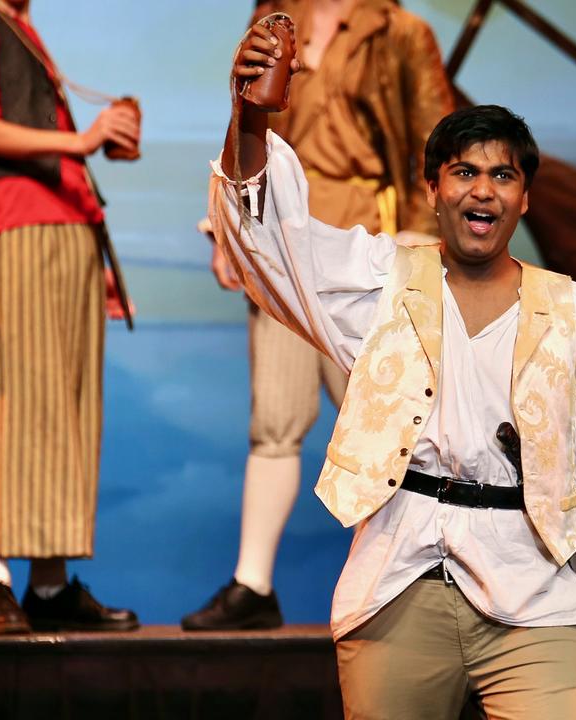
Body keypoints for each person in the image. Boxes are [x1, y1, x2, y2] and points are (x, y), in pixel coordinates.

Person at [208, 24, 576, 718]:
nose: (484, 190)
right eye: (465, 172)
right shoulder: (384, 284)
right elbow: (274, 244)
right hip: (400, 579)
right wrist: (250, 116)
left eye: (503, 175)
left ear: (524, 196)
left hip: (535, 589)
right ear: (434, 188)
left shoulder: (572, 310)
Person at [183, 0, 454, 632]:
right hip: (282, 244)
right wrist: (233, 227)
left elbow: (437, 140)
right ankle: (253, 584)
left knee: (394, 424)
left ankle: (422, 580)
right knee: (275, 418)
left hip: (369, 253)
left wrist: (422, 242)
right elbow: (244, 124)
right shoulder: (276, 17)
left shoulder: (399, 32)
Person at [0, 0, 140, 633]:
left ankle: (48, 590)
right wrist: (83, 137)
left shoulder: (23, 28)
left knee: (69, 410)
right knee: (22, 398)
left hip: (71, 231)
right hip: (23, 226)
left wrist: (95, 249)